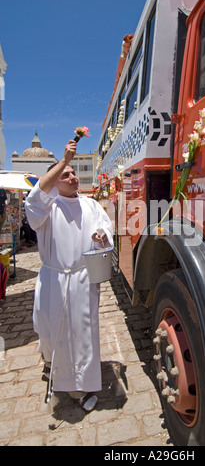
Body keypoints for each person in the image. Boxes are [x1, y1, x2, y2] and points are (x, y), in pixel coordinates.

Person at [25, 140, 114, 412]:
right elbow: (34, 197)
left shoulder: (90, 205)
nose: (73, 177)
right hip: (55, 280)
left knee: (81, 334)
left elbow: (106, 226)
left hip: (83, 280)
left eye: (74, 172)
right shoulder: (46, 208)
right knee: (52, 330)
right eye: (66, 174)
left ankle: (78, 386)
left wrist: (102, 235)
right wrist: (62, 161)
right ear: (54, 181)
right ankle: (56, 368)